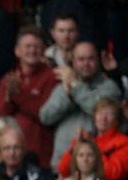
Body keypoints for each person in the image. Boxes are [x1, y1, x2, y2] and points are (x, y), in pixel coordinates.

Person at [40, 41, 122, 169]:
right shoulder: (64, 86)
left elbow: (97, 109)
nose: (86, 64)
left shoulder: (110, 87)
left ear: (98, 60)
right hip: (63, 163)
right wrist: (68, 96)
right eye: (81, 59)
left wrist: (75, 87)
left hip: (96, 165)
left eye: (91, 59)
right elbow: (45, 117)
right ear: (73, 61)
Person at [0, 27, 56, 168]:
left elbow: (45, 114)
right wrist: (9, 99)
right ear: (17, 51)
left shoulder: (52, 77)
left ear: (43, 50)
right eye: (28, 46)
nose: (32, 50)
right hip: (10, 157)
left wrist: (18, 96)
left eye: (37, 46)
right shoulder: (10, 79)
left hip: (40, 156)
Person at [57, 98, 128, 180]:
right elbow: (63, 170)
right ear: (94, 116)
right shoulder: (87, 139)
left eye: (109, 114)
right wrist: (77, 144)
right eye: (100, 113)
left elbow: (113, 173)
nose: (103, 118)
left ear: (117, 121)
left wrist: (91, 147)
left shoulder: (126, 143)